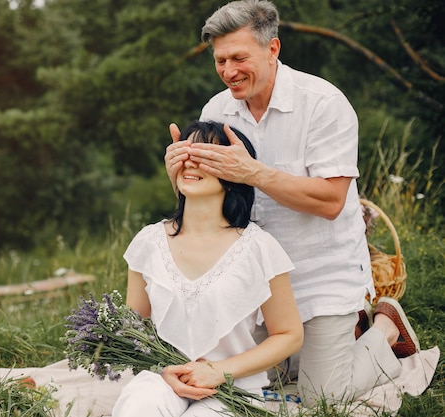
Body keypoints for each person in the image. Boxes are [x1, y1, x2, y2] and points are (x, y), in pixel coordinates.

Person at [163, 0, 421, 408]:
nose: (229, 71)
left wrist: (253, 173)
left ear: (273, 49)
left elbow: (332, 201)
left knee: (322, 399)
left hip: (323, 273)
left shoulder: (323, 103)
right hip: (257, 279)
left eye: (239, 58)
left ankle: (385, 329)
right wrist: (178, 174)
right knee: (240, 382)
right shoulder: (217, 109)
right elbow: (208, 205)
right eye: (220, 60)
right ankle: (319, 348)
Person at [112, 120, 303, 417]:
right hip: (163, 378)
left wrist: (219, 370)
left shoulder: (258, 248)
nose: (190, 162)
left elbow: (289, 334)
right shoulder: (148, 242)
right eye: (185, 152)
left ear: (234, 172)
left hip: (233, 386)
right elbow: (134, 326)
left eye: (206, 155)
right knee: (139, 405)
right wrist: (161, 369)